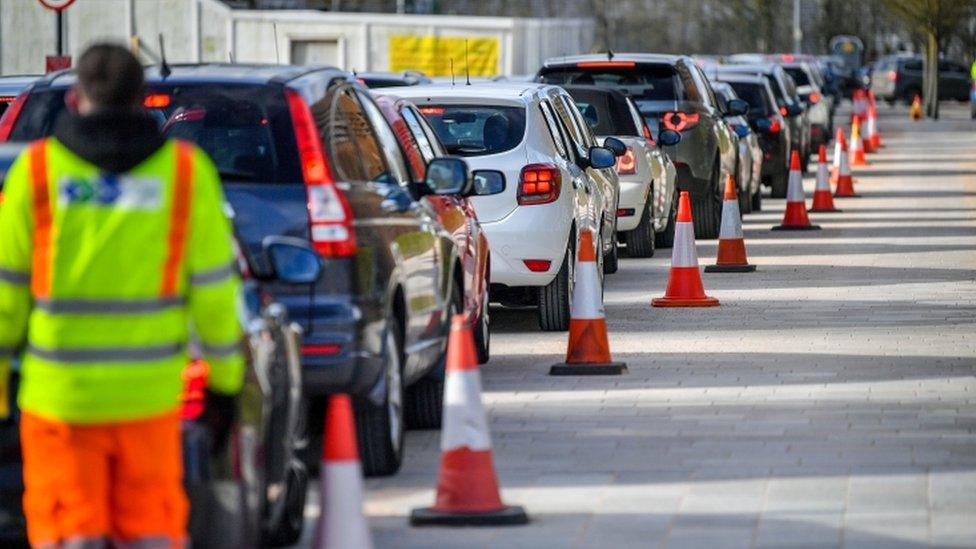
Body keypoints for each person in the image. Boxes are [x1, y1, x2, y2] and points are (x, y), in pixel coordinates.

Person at [0, 43, 244, 548]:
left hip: (59, 404)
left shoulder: (37, 174)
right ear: (142, 98)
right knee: (151, 536)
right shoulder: (183, 174)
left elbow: (5, 300)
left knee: (71, 537)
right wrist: (225, 387)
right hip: (149, 404)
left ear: (76, 99)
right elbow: (217, 295)